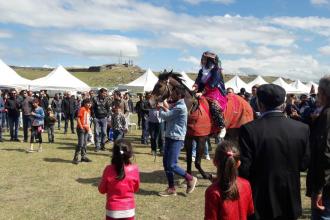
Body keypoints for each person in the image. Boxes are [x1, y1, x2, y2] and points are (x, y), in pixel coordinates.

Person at [239, 84, 310, 220]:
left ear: (260, 104)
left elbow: (244, 169)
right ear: (283, 104)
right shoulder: (302, 128)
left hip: (260, 199)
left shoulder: (249, 129)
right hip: (289, 198)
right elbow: (303, 164)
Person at [157, 85, 198, 196]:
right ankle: (171, 188)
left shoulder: (181, 107)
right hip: (170, 136)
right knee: (166, 163)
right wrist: (164, 105)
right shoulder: (177, 105)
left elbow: (167, 116)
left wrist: (160, 109)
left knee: (172, 165)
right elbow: (170, 110)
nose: (172, 95)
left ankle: (190, 178)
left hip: (176, 138)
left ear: (179, 95)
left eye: (174, 93)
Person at [205, 141, 254, 220]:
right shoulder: (246, 184)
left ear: (214, 162)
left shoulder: (212, 192)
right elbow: (250, 211)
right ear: (238, 163)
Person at [306, 75, 330, 219]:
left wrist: (319, 189)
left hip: (327, 185)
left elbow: (325, 154)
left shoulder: (327, 115)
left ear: (322, 91)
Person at [98, 139, 140, 220]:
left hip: (112, 210)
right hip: (129, 210)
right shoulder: (134, 169)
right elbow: (136, 188)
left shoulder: (108, 169)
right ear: (130, 153)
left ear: (114, 153)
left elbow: (101, 190)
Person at [193, 51, 227, 130]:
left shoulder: (216, 70)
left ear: (209, 60)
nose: (202, 60)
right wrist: (195, 85)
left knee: (214, 106)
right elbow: (198, 80)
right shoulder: (201, 70)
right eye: (202, 58)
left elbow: (213, 83)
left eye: (204, 58)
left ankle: (221, 126)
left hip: (214, 91)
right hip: (202, 91)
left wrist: (202, 92)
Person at [73, 98, 92, 164]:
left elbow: (88, 120)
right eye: (88, 103)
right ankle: (75, 158)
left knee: (84, 144)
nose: (89, 104)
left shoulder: (89, 110)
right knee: (80, 144)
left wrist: (89, 128)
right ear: (84, 103)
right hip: (81, 129)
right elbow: (78, 118)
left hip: (86, 129)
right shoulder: (82, 109)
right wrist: (81, 127)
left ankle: (83, 157)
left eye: (90, 103)